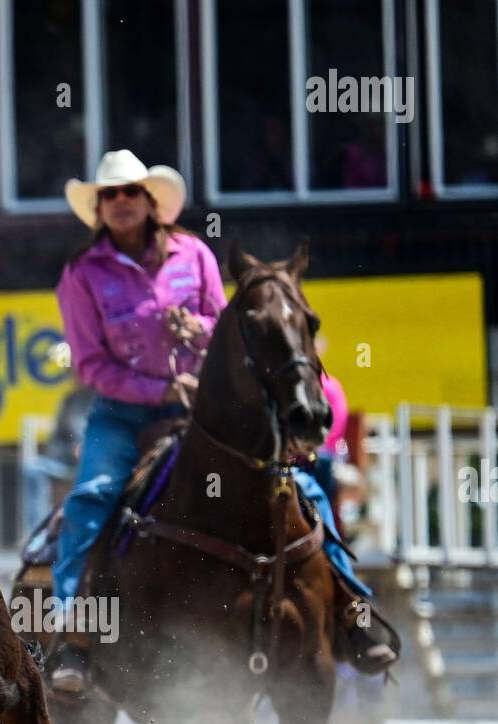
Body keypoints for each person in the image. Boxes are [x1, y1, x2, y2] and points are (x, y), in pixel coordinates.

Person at [48, 149, 399, 694]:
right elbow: (91, 364)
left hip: (205, 410)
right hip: (123, 414)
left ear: (150, 202)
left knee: (300, 482)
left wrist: (200, 333)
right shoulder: (81, 274)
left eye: (130, 192)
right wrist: (161, 386)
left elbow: (230, 328)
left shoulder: (195, 254)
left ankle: (354, 611)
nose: (120, 202)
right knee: (93, 495)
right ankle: (74, 634)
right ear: (98, 207)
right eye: (110, 194)